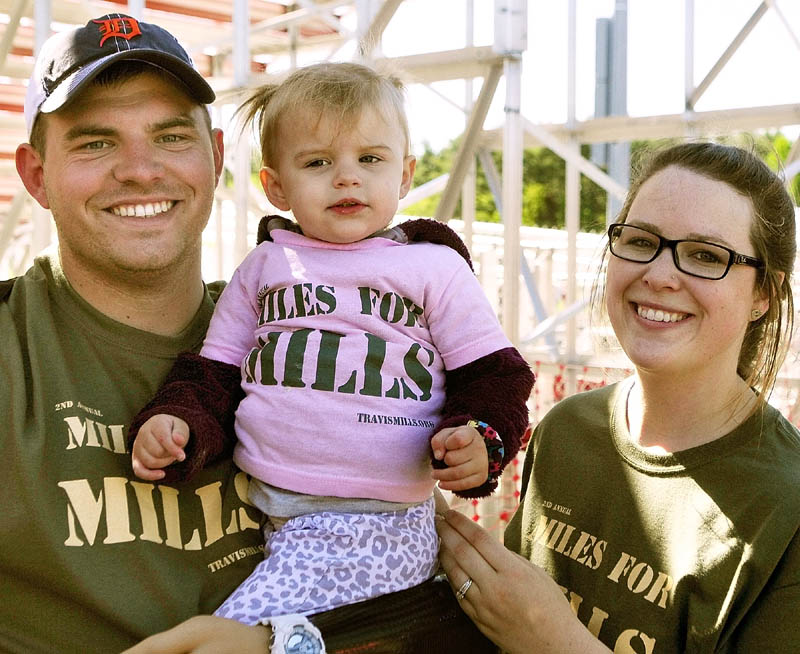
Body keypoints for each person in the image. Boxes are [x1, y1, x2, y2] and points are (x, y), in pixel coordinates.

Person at [128, 62, 534, 625]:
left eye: (370, 159)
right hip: (269, 514)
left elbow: (496, 376)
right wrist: (178, 423)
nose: (347, 178)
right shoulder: (264, 266)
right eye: (318, 162)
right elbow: (214, 376)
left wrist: (482, 438)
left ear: (406, 174)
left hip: (378, 523)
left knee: (227, 638)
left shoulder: (432, 267)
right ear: (276, 186)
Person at [436, 141, 800, 653]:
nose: (659, 274)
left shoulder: (787, 509)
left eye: (705, 255)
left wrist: (554, 639)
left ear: (763, 293)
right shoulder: (566, 429)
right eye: (640, 240)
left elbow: (531, 629)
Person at [1, 13, 276, 653]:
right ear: (35, 175)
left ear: (214, 157)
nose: (140, 170)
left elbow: (408, 592)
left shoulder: (304, 343)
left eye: (170, 136)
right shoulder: (13, 356)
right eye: (96, 143)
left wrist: (285, 643)